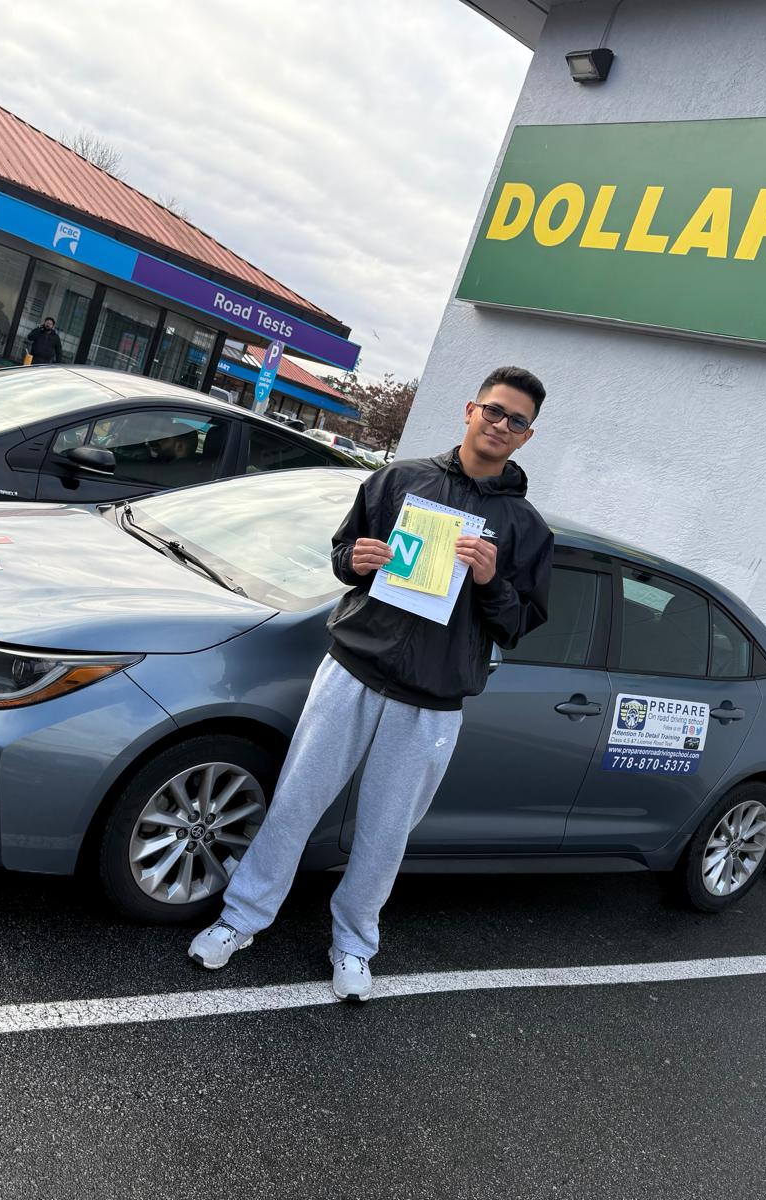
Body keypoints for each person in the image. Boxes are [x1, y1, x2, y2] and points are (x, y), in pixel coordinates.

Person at [188, 365, 555, 1001]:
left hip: (432, 703)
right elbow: (343, 555)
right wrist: (354, 560)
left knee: (385, 837)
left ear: (526, 436)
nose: (501, 425)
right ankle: (241, 918)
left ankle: (355, 945)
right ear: (470, 410)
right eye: (493, 410)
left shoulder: (527, 528)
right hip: (353, 672)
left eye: (516, 420)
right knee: (295, 804)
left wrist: (491, 581)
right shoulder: (397, 480)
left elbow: (520, 624)